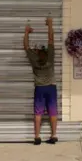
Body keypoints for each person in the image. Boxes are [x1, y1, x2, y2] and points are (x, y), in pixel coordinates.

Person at [23, 16, 58, 145]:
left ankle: (37, 137)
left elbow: (26, 46)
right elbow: (51, 39)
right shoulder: (50, 57)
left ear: (37, 51)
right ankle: (54, 135)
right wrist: (49, 25)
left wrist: (26, 32)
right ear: (45, 50)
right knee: (52, 112)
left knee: (38, 113)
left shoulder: (34, 59)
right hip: (51, 87)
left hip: (39, 88)